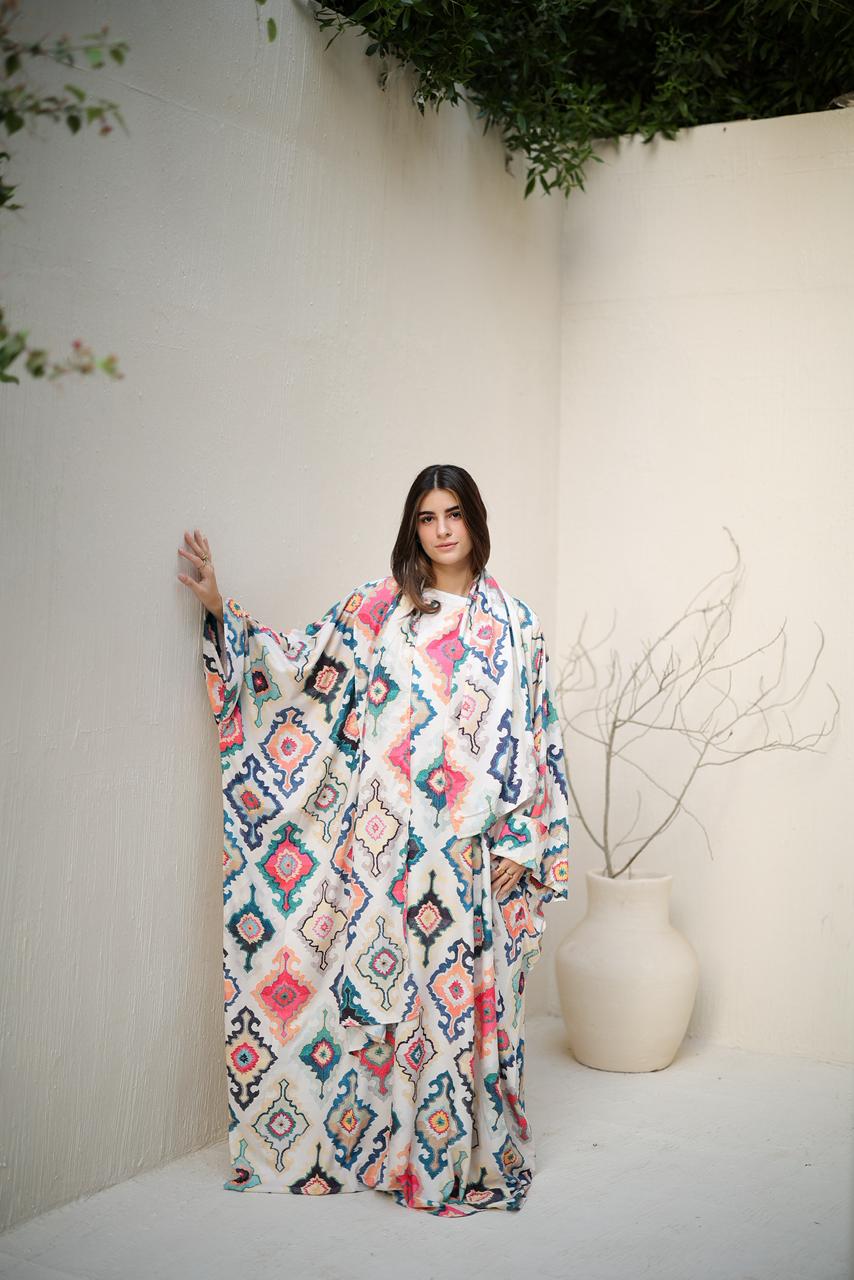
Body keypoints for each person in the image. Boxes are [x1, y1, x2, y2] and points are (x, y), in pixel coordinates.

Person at [177, 463, 570, 1216]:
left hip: (472, 857)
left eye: (454, 513)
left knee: (466, 1004)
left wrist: (523, 839)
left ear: (475, 520)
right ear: (413, 527)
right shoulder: (382, 607)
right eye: (427, 517)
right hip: (389, 852)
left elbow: (537, 734)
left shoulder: (516, 625)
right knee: (386, 1004)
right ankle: (395, 1153)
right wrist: (223, 609)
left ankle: (459, 1155)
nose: (443, 529)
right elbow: (299, 667)